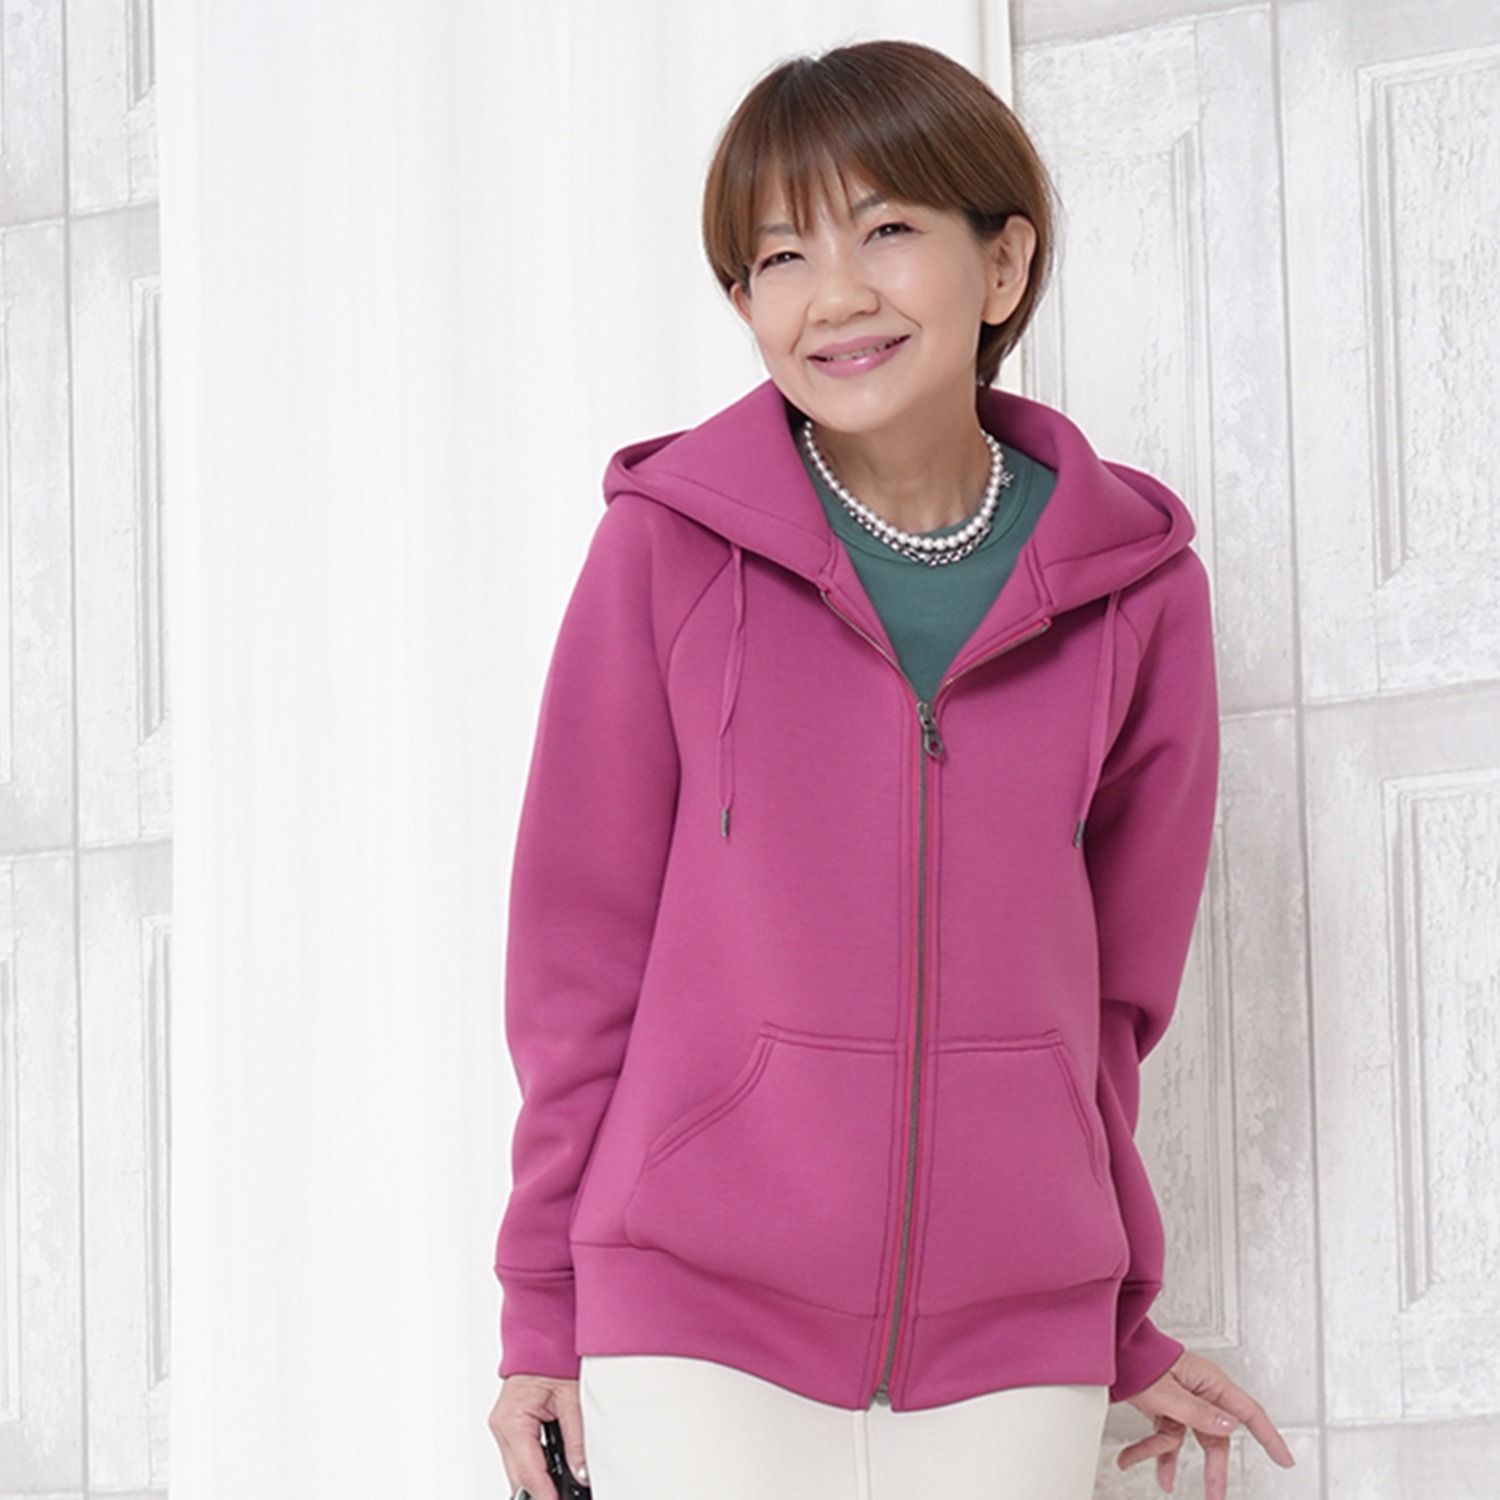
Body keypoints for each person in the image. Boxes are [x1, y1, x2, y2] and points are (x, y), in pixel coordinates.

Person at [487, 37, 1295, 1500]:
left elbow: (1114, 1003)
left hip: (1017, 1335)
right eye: (779, 255)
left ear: (1003, 264)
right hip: (694, 1315)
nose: (834, 295)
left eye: (887, 230)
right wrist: (543, 1307)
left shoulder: (1137, 593)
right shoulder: (666, 553)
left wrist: (1116, 1315)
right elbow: (575, 962)